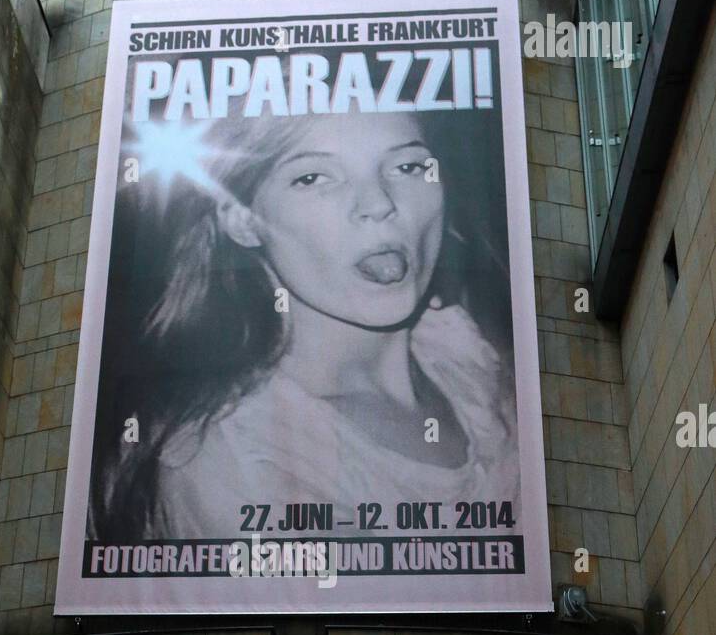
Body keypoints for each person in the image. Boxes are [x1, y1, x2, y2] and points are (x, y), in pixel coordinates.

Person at [89, 59, 519, 543]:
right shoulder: (236, 464)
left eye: (407, 165)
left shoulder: (463, 349)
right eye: (313, 178)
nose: (379, 203)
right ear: (243, 220)